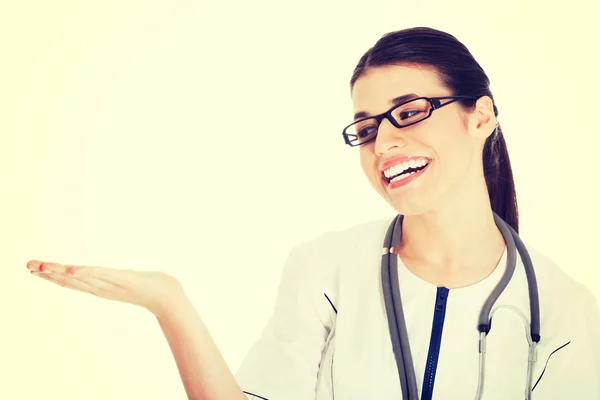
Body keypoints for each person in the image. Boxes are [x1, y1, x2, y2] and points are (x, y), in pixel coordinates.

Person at [26, 27, 600, 399]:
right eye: (368, 127)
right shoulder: (326, 269)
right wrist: (169, 303)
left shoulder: (566, 311)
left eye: (411, 111)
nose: (384, 143)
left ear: (481, 117)